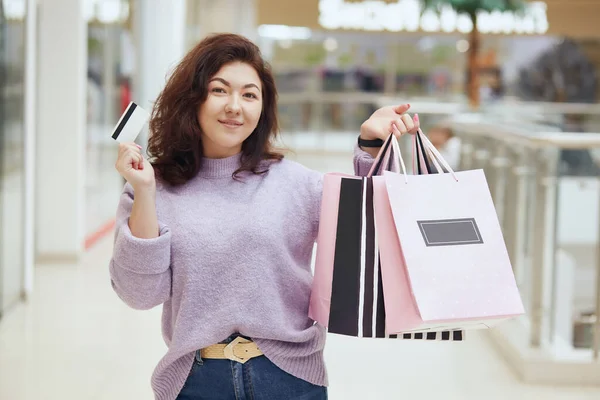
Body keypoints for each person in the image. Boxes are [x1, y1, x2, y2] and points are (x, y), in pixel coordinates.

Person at [110, 33, 420, 400]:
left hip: (289, 379)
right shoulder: (152, 186)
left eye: (250, 94)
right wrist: (145, 192)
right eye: (219, 90)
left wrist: (370, 144)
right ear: (192, 98)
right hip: (195, 383)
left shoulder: (294, 182)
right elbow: (139, 294)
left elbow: (369, 230)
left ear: (263, 109)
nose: (235, 106)